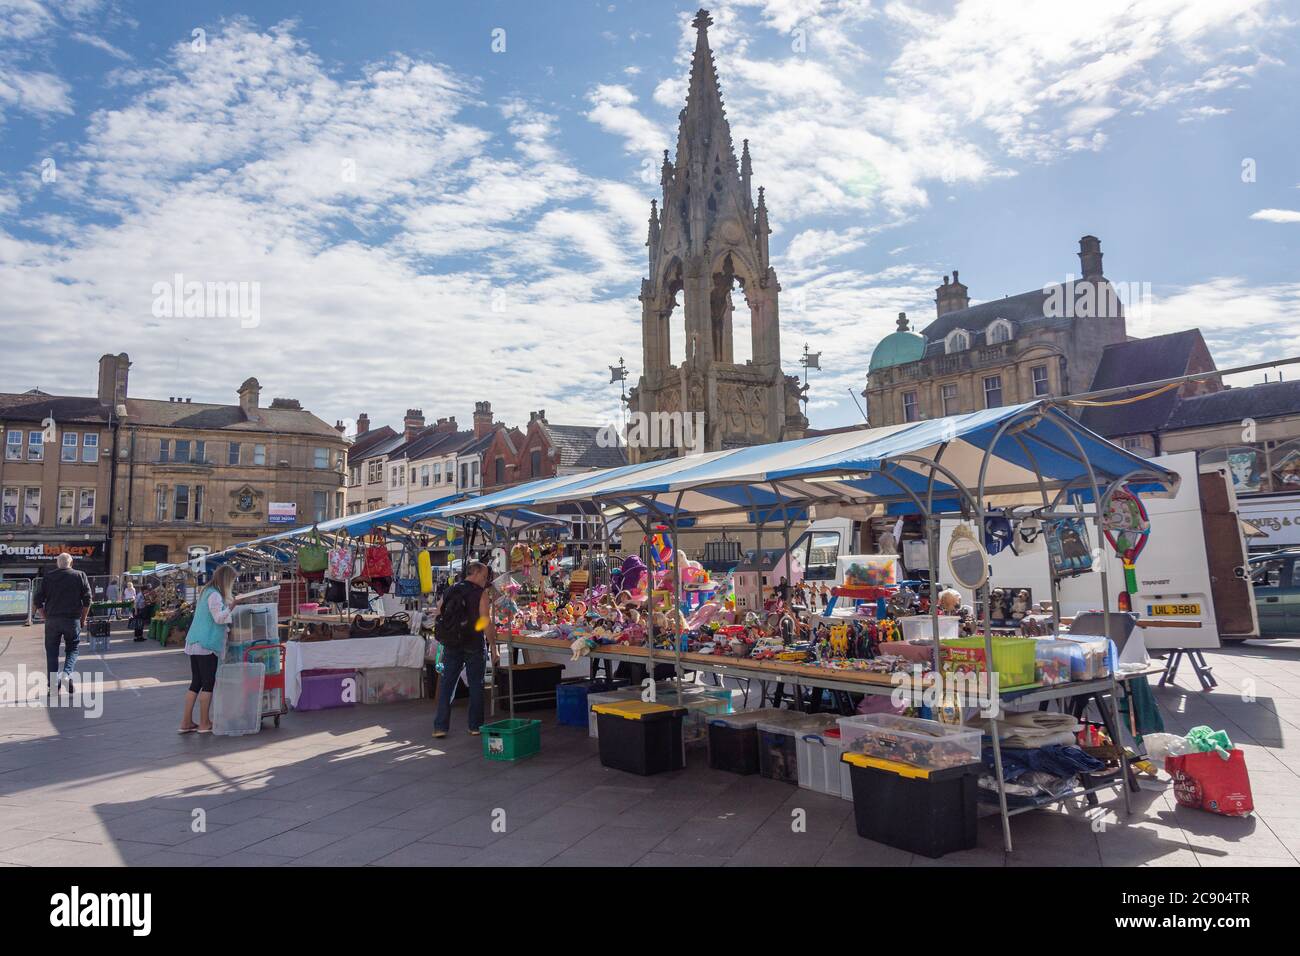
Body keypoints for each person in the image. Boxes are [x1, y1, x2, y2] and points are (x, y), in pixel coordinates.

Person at [432, 561, 496, 738]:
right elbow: (485, 621)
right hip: (474, 644)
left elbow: (438, 613)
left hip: (452, 643)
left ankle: (440, 727)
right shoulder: (480, 593)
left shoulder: (450, 590)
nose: (485, 581)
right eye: (484, 577)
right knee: (476, 685)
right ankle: (475, 726)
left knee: (447, 685)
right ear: (475, 573)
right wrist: (493, 647)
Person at [180, 565, 238, 734]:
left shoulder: (207, 591)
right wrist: (233, 605)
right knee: (208, 683)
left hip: (195, 642)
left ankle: (186, 722)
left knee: (196, 682)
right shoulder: (214, 594)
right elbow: (219, 618)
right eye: (232, 580)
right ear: (226, 580)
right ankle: (204, 723)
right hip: (206, 644)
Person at [34, 553, 92, 697]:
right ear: (71, 563)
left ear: (57, 563)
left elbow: (37, 599)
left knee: (52, 653)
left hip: (52, 620)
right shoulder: (80, 575)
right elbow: (87, 599)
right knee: (72, 649)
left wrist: (45, 616)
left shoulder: (48, 577)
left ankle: (53, 686)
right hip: (72, 619)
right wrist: (83, 618)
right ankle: (66, 675)